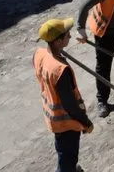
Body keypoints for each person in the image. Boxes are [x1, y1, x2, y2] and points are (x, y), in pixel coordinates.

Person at [34, 18, 94, 172]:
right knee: (67, 158)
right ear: (58, 41)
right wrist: (85, 122)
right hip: (66, 123)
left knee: (64, 153)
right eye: (67, 35)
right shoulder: (60, 70)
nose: (70, 37)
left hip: (54, 119)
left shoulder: (40, 54)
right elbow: (70, 105)